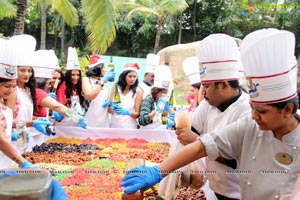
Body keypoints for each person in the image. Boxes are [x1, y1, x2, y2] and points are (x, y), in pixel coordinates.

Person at [121, 28, 300, 200]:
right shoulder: (249, 126)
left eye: (261, 111)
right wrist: (158, 171)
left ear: (287, 110)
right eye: (253, 108)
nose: (253, 116)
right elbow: (202, 146)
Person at [123, 33, 252, 200]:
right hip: (215, 189)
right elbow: (191, 138)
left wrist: (160, 170)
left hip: (239, 194)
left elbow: (233, 159)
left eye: (206, 86)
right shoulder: (207, 105)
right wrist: (163, 170)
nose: (202, 93)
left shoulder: (247, 111)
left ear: (224, 85)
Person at [0, 38, 35, 169]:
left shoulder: (4, 103)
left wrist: (14, 134)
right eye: (7, 86)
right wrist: (23, 163)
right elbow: (1, 141)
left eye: (13, 86)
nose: (11, 90)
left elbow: (9, 122)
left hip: (6, 159)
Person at [81, 53, 115, 127]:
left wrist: (110, 104)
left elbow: (107, 103)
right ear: (97, 68)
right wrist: (104, 81)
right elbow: (89, 96)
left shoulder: (104, 83)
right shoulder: (86, 80)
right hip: (90, 123)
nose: (105, 70)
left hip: (104, 124)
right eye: (103, 67)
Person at [108, 63, 143, 129]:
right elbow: (109, 110)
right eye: (130, 76)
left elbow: (137, 114)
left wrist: (127, 112)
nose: (132, 79)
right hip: (114, 126)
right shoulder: (115, 88)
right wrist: (111, 107)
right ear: (124, 76)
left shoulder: (138, 91)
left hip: (129, 127)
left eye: (134, 77)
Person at [138, 65, 173, 129]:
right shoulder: (148, 100)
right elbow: (142, 121)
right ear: (156, 91)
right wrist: (156, 110)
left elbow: (166, 119)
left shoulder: (165, 101)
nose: (165, 95)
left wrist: (171, 116)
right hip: (148, 134)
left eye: (166, 93)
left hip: (161, 134)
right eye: (163, 93)